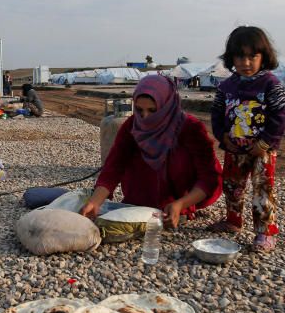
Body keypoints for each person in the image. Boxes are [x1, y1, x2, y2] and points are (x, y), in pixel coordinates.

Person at [79, 74, 221, 228]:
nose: (145, 117)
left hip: (181, 197)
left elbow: (208, 177)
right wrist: (95, 202)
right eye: (139, 110)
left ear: (166, 105)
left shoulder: (191, 128)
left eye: (153, 110)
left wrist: (180, 204)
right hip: (139, 201)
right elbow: (114, 166)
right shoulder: (132, 126)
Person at [209, 26, 285, 252]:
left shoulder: (270, 84)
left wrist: (265, 143)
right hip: (234, 148)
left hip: (261, 151)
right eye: (240, 56)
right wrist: (223, 136)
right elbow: (216, 114)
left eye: (252, 56)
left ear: (263, 56)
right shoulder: (226, 86)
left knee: (262, 190)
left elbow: (281, 114)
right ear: (231, 58)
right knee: (232, 186)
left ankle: (265, 232)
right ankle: (233, 221)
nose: (246, 62)